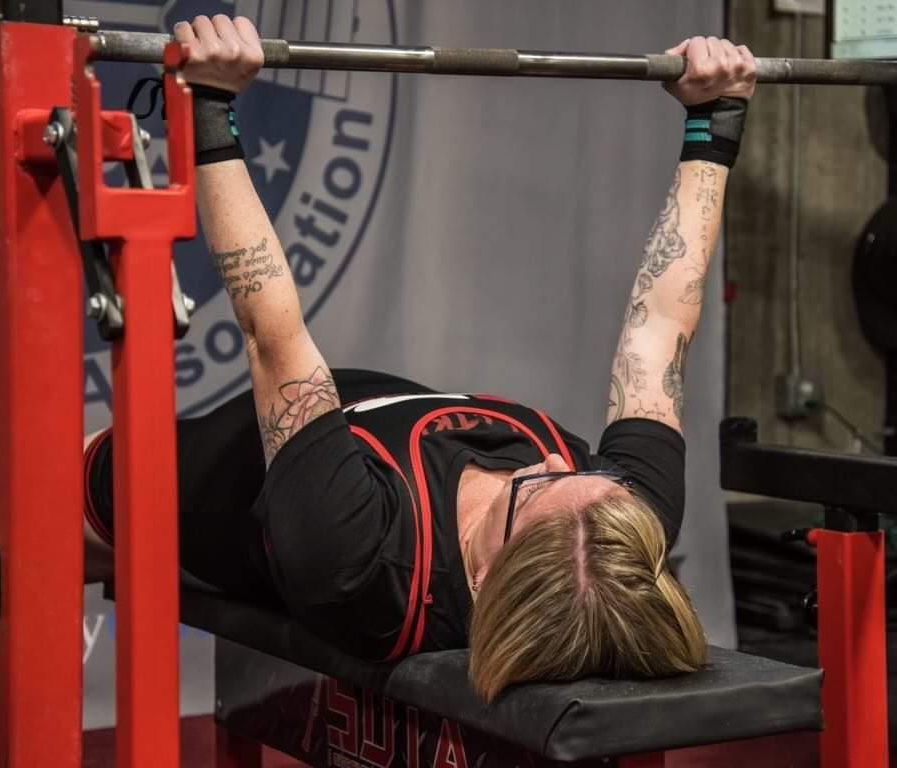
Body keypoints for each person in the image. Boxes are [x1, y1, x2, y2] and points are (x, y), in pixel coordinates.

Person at [83, 14, 758, 703]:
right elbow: (659, 329)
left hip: (171, 484)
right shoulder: (617, 533)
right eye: (588, 474)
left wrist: (207, 105)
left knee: (34, 536)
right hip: (307, 443)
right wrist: (714, 123)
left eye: (535, 492)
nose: (557, 464)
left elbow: (272, 332)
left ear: (488, 577)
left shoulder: (364, 559)